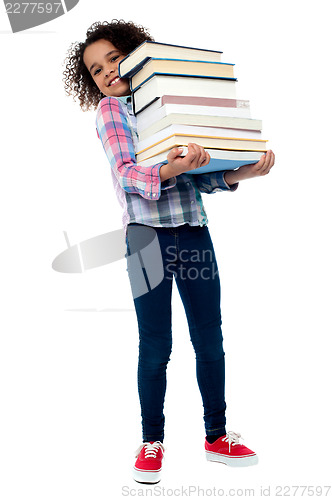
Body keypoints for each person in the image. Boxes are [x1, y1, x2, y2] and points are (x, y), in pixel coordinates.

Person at [63, 19, 275, 484]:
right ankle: (151, 441)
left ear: (138, 53)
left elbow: (199, 177)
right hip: (146, 239)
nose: (106, 72)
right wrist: (167, 168)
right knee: (156, 343)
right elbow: (127, 174)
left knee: (209, 337)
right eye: (96, 69)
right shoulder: (112, 111)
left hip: (193, 231)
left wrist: (243, 173)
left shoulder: (170, 101)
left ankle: (217, 436)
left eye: (114, 58)